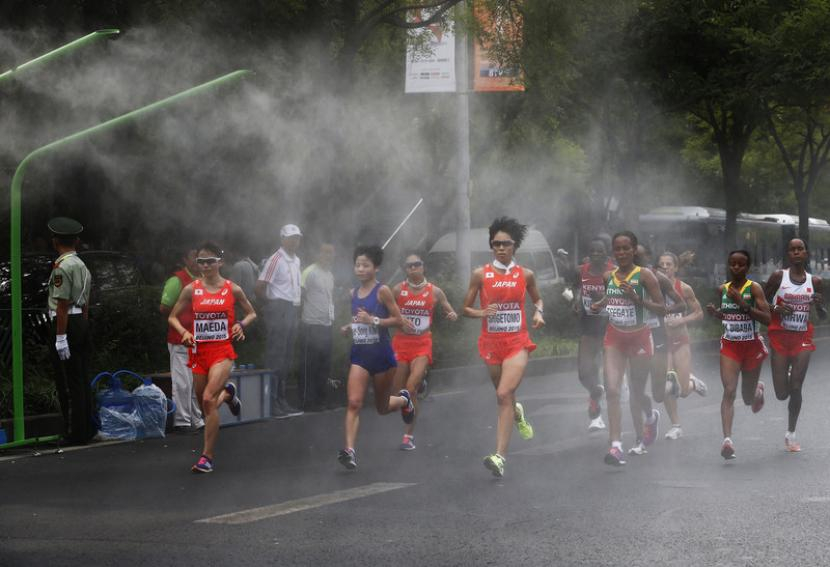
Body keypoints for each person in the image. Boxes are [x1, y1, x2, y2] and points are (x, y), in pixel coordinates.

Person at [462, 217, 544, 478]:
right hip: (491, 343)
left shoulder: (526, 275)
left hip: (517, 342)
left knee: (502, 394)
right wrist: (482, 312)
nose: (500, 248)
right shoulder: (480, 274)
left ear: (514, 246)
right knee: (504, 394)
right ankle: (517, 412)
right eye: (495, 244)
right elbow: (465, 308)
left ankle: (499, 456)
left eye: (505, 244)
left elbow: (538, 299)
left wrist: (539, 313)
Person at [168, 242, 256, 473]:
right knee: (205, 405)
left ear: (220, 262)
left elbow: (252, 312)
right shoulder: (192, 289)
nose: (205, 266)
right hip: (199, 352)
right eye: (201, 262)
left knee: (207, 399)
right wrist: (185, 332)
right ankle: (227, 394)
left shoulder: (232, 289)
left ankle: (206, 457)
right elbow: (172, 317)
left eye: (210, 261)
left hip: (222, 351)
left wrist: (240, 324)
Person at [590, 231, 664, 466]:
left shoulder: (645, 276)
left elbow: (661, 309)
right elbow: (609, 299)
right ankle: (616, 446)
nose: (621, 253)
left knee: (637, 392)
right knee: (612, 390)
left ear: (634, 250)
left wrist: (638, 300)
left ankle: (651, 417)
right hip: (614, 339)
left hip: (640, 338)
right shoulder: (608, 276)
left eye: (626, 248)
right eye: (617, 249)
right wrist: (598, 305)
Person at [337, 245, 413, 470]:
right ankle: (349, 450)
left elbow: (399, 320)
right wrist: (350, 326)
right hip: (360, 355)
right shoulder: (352, 293)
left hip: (381, 356)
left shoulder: (383, 291)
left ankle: (404, 400)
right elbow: (360, 320)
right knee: (353, 403)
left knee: (382, 408)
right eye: (357, 265)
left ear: (376, 268)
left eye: (365, 265)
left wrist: (375, 321)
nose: (360, 269)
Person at [706, 250, 771, 460]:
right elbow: (727, 314)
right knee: (729, 390)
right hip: (730, 346)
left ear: (747, 267)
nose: (736, 268)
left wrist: (744, 304)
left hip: (751, 346)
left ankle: (757, 391)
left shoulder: (754, 289)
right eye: (732, 264)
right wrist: (716, 314)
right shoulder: (722, 289)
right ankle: (727, 440)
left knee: (747, 397)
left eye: (740, 265)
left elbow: (768, 318)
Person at [763, 238, 826, 452]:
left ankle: (791, 434)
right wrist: (775, 309)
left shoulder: (815, 281)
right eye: (793, 250)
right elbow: (760, 301)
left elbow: (822, 314)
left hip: (802, 337)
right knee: (782, 394)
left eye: (800, 249)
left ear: (806, 253)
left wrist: (820, 306)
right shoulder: (778, 277)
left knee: (797, 387)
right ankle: (775, 383)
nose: (797, 252)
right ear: (788, 254)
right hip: (780, 335)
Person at [391, 252, 458, 450]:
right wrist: (398, 320)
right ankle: (421, 384)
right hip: (401, 343)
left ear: (423, 267)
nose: (412, 268)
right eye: (409, 265)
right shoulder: (397, 290)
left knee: (409, 390)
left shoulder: (434, 291)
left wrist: (452, 314)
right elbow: (387, 311)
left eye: (416, 264)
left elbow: (448, 308)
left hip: (422, 344)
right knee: (397, 391)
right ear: (406, 269)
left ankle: (408, 437)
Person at [630, 244, 687, 456]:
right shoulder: (620, 277)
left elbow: (681, 305)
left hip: (656, 336)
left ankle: (668, 385)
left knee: (658, 393)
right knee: (635, 389)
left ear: (648, 257)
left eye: (639, 255)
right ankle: (639, 438)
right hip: (632, 336)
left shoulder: (658, 278)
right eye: (631, 255)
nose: (634, 258)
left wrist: (662, 311)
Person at [46, 217, 95, 445]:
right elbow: (85, 303)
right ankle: (86, 428)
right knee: (82, 378)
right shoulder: (81, 265)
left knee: (67, 380)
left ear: (55, 242)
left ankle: (73, 432)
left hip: (65, 324)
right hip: (81, 322)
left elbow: (62, 304)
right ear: (76, 241)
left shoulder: (62, 267)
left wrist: (60, 337)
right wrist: (82, 326)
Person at [656, 252, 707, 440]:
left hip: (680, 341)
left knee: (683, 391)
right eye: (661, 264)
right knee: (666, 387)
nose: (665, 267)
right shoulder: (652, 287)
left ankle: (691, 383)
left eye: (669, 264)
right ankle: (676, 425)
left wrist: (681, 320)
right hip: (661, 343)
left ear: (676, 267)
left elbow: (699, 313)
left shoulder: (684, 288)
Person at [256, 224, 304, 418]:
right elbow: (259, 287)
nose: (295, 241)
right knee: (275, 356)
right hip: (279, 308)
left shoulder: (297, 260)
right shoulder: (275, 259)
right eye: (291, 237)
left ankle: (281, 400)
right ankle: (271, 401)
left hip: (292, 308)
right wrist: (272, 306)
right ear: (283, 239)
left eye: (297, 238)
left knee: (287, 356)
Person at [159, 246, 204, 431]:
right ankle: (182, 420)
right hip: (180, 339)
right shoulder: (177, 280)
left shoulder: (204, 281)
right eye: (194, 258)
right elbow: (164, 307)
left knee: (196, 382)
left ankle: (197, 419)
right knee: (182, 382)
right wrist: (182, 316)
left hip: (199, 340)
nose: (198, 262)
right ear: (185, 260)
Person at [573, 238, 612, 432]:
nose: (596, 254)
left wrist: (603, 300)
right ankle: (595, 391)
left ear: (606, 254)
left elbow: (624, 296)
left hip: (611, 325)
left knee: (608, 372)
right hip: (589, 325)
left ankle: (597, 415)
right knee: (584, 372)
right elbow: (576, 288)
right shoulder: (582, 270)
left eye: (600, 251)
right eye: (592, 251)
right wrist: (576, 301)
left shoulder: (613, 271)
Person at [299, 243, 336, 411]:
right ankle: (307, 401)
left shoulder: (330, 275)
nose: (328, 256)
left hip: (327, 324)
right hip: (311, 325)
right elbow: (299, 295)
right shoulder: (309, 271)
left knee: (324, 364)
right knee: (310, 365)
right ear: (318, 254)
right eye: (325, 253)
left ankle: (321, 400)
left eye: (331, 253)